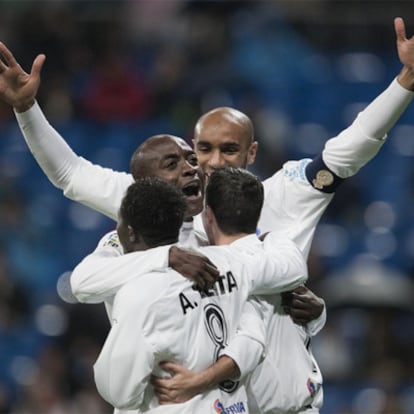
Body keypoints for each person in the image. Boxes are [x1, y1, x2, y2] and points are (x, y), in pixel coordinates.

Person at [2, 15, 413, 411]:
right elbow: (72, 175)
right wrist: (27, 110)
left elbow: (347, 151)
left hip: (284, 404)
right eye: (203, 150)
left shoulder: (281, 196)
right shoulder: (155, 210)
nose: (213, 162)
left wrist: (404, 85)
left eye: (229, 150)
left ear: (252, 152)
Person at [72, 168, 308, 413]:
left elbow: (118, 391)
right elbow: (254, 337)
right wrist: (207, 378)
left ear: (129, 232)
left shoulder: (139, 294)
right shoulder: (230, 263)